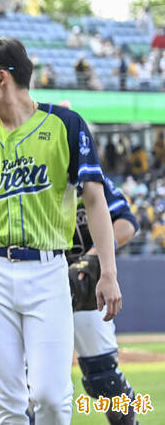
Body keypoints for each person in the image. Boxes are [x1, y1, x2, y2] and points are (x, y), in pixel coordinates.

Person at [0, 37, 122, 424]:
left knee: (51, 398)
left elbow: (96, 201)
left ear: (2, 78)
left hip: (47, 270)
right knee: (8, 404)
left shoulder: (66, 124)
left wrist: (108, 273)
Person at [69, 178, 139, 425]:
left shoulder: (87, 174)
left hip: (85, 287)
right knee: (29, 385)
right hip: (38, 281)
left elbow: (127, 224)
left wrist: (90, 259)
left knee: (105, 378)